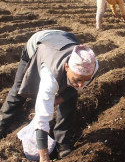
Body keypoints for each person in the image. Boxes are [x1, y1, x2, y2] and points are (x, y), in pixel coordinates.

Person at [0, 30, 99, 162]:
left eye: (85, 80)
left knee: (70, 101)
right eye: (77, 79)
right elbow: (42, 120)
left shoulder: (91, 66)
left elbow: (74, 89)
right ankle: (2, 124)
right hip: (38, 45)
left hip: (65, 39)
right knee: (18, 90)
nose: (81, 85)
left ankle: (62, 145)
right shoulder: (50, 78)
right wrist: (44, 156)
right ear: (66, 67)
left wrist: (56, 100)